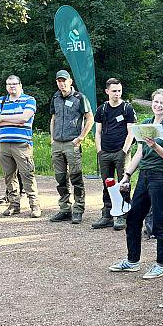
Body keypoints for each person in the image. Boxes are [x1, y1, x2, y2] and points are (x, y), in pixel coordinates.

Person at [109, 88, 163, 279]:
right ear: (152, 103)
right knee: (133, 218)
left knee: (160, 221)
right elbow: (140, 152)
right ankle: (132, 261)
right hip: (144, 176)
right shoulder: (146, 123)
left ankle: (161, 264)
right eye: (155, 102)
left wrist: (155, 146)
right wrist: (127, 175)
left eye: (162, 103)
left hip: (161, 177)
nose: (158, 106)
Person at [0, 75, 41, 218]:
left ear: (20, 85)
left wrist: (3, 119)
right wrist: (13, 120)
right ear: (6, 86)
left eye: (14, 84)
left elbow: (24, 119)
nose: (12, 86)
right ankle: (14, 205)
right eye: (9, 84)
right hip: (4, 144)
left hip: (22, 144)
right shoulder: (1, 101)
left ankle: (34, 205)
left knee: (27, 174)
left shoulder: (29, 100)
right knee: (9, 176)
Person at [48, 70, 94, 225]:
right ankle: (64, 208)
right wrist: (52, 138)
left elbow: (90, 119)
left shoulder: (80, 98)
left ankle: (78, 209)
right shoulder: (55, 97)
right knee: (60, 178)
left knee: (75, 176)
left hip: (71, 143)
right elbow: (53, 118)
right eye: (59, 81)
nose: (62, 83)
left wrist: (81, 138)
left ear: (70, 81)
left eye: (64, 80)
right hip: (57, 143)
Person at [92, 78, 136, 230]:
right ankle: (107, 214)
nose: (117, 94)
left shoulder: (127, 108)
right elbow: (97, 131)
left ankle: (123, 215)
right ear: (107, 92)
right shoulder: (102, 109)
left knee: (123, 184)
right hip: (105, 151)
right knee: (107, 184)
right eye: (114, 91)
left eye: (119, 91)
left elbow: (131, 132)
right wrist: (99, 150)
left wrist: (124, 151)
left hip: (121, 151)